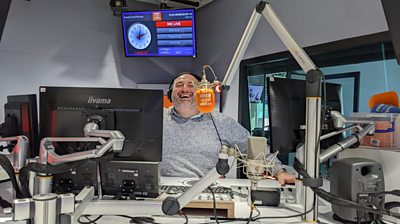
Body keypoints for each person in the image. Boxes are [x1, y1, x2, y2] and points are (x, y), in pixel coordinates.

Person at [161, 72, 296, 186]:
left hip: (208, 190)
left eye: (191, 85)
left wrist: (279, 171)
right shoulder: (157, 118)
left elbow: (255, 148)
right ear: (170, 94)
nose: (185, 89)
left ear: (203, 93)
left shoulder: (221, 122)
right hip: (163, 189)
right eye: (179, 85)